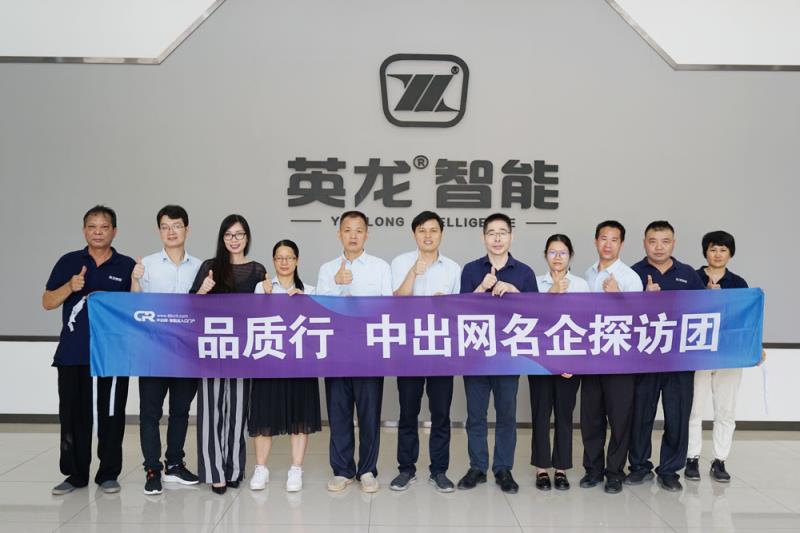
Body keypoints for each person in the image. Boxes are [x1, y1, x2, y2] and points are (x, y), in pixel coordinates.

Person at [42, 205, 135, 495]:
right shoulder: (69, 262)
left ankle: (108, 473)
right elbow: (47, 302)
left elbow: (135, 308)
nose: (98, 232)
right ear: (84, 230)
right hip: (73, 353)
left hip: (112, 355)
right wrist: (70, 287)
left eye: (104, 227)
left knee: (111, 415)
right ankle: (75, 474)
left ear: (114, 231)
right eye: (92, 227)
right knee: (73, 416)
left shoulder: (126, 265)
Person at [457, 212, 538, 494]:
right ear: (484, 238)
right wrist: (481, 288)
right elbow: (460, 310)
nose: (497, 238)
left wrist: (515, 292)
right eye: (491, 233)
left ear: (511, 237)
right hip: (476, 354)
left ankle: (503, 468)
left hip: (508, 355)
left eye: (502, 232)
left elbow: (537, 314)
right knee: (476, 415)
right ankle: (477, 467)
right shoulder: (470, 269)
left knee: (506, 415)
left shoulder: (524, 272)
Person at [190, 214, 266, 494]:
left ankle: (233, 469)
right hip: (212, 348)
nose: (234, 240)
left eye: (239, 234)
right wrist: (202, 291)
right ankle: (214, 472)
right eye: (229, 235)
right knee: (211, 412)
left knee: (237, 412)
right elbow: (191, 306)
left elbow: (264, 310)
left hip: (242, 349)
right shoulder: (209, 267)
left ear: (247, 237)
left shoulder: (257, 270)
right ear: (222, 238)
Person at [316, 210, 392, 493]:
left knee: (369, 413)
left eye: (359, 230)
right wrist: (337, 285)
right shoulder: (327, 270)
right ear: (339, 234)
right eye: (347, 230)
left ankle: (368, 470)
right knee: (339, 413)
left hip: (369, 351)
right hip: (336, 351)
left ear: (367, 235)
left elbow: (388, 307)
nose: (353, 236)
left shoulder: (380, 267)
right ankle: (342, 470)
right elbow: (319, 310)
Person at [626, 220, 704, 492]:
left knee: (677, 416)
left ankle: (670, 470)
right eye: (653, 241)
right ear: (644, 243)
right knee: (640, 416)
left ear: (674, 243)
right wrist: (644, 298)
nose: (659, 247)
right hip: (644, 359)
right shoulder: (633, 273)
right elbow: (619, 314)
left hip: (679, 361)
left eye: (665, 241)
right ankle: (639, 466)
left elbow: (704, 311)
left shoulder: (688, 275)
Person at [388, 211, 461, 493]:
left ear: (441, 233)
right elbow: (396, 300)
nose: (428, 235)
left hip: (441, 348)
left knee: (440, 413)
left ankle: (439, 471)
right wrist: (413, 273)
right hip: (409, 347)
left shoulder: (453, 268)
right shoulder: (400, 262)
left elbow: (460, 312)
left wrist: (448, 304)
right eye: (422, 230)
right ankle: (406, 470)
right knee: (408, 411)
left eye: (433, 230)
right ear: (414, 234)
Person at [131, 205, 201, 495]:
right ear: (159, 231)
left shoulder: (200, 267)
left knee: (180, 411)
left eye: (177, 226)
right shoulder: (146, 265)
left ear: (187, 229)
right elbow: (134, 307)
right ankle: (152, 469)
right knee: (149, 412)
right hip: (154, 351)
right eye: (165, 227)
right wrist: (135, 280)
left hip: (187, 352)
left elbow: (205, 308)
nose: (171, 232)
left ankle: (174, 464)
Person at [249, 239, 321, 493]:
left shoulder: (310, 289)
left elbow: (320, 326)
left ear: (297, 260)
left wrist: (307, 302)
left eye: (289, 257)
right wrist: (265, 298)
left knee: (299, 418)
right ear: (273, 261)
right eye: (279, 258)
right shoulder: (262, 287)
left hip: (300, 364)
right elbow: (251, 321)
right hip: (269, 362)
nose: (284, 262)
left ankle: (296, 468)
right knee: (264, 416)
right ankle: (261, 468)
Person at [686, 230, 756, 483]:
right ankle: (691, 458)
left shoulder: (738, 283)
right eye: (713, 249)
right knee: (694, 409)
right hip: (699, 353)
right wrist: (706, 297)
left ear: (730, 254)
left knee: (725, 410)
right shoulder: (692, 278)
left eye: (723, 250)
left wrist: (754, 346)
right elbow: (681, 312)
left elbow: (746, 319)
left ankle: (720, 459)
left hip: (729, 355)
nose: (717, 254)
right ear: (705, 251)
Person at [581, 220, 643, 494]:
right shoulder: (587, 274)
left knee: (619, 419)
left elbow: (639, 320)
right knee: (591, 418)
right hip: (592, 358)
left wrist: (619, 296)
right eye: (603, 238)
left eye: (614, 239)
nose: (608, 244)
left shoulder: (630, 277)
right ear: (596, 241)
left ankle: (615, 472)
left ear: (622, 244)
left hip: (620, 360)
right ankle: (593, 470)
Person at [530, 234, 589, 491]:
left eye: (562, 253)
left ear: (570, 256)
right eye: (552, 252)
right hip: (540, 361)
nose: (557, 257)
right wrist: (551, 293)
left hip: (569, 363)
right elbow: (528, 320)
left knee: (564, 415)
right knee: (541, 413)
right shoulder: (535, 283)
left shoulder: (581, 285)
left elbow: (586, 325)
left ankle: (562, 468)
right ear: (545, 255)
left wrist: (574, 362)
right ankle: (541, 468)